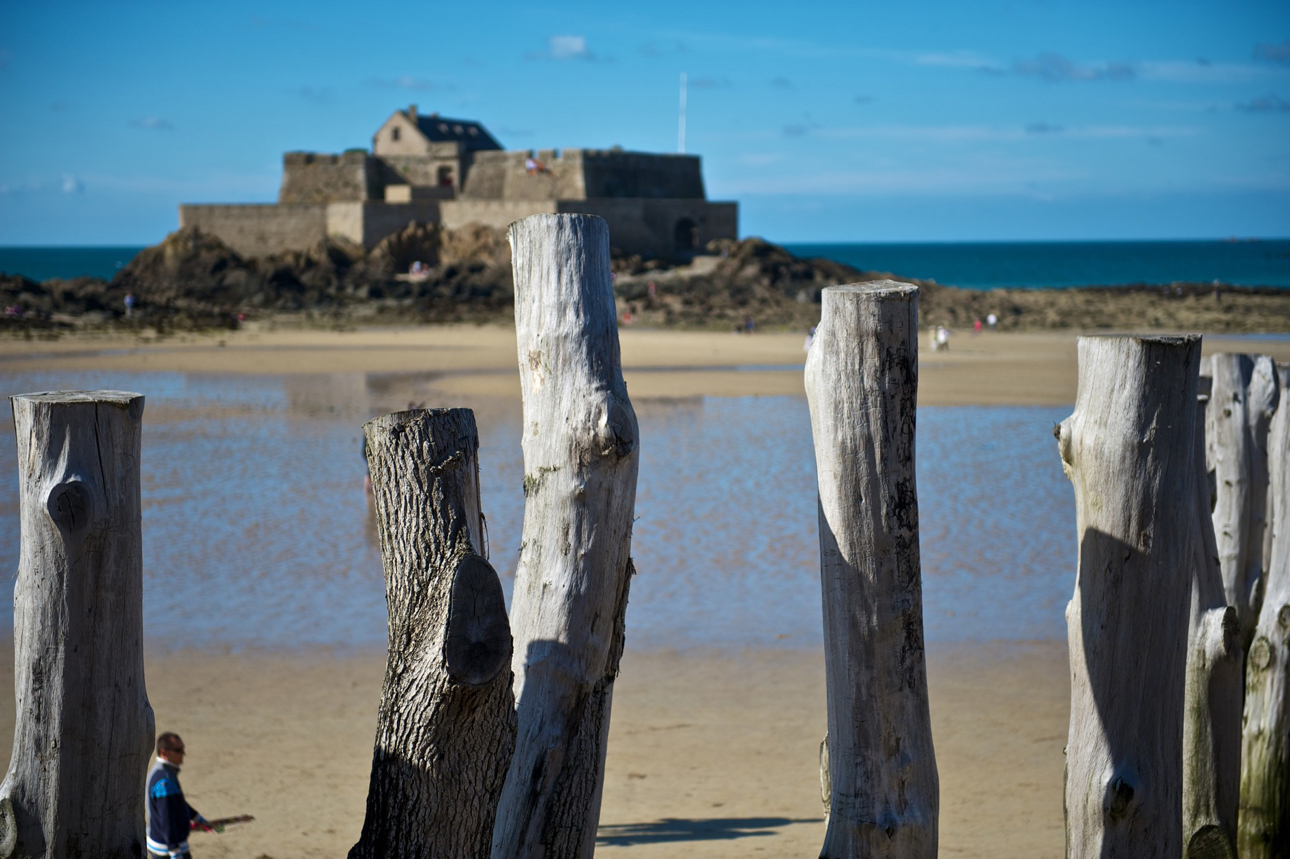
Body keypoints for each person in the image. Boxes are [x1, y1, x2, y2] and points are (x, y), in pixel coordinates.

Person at [147, 733, 216, 858]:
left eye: (183, 749)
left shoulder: (160, 771)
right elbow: (166, 818)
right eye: (178, 750)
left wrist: (196, 817)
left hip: (160, 841)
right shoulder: (165, 782)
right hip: (167, 848)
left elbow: (176, 802)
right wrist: (174, 851)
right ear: (164, 753)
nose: (183, 753)